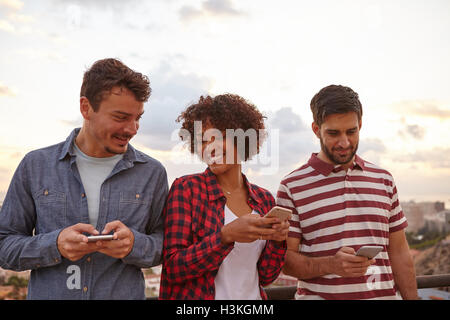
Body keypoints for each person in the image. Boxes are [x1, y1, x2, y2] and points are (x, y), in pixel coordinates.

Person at [0, 58, 168, 299]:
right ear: (86, 107)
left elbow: (166, 247)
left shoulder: (152, 173)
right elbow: (4, 246)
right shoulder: (35, 165)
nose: (132, 129)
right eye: (121, 117)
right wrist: (55, 245)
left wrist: (134, 245)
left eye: (137, 117)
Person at [277, 85, 418, 300]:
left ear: (360, 125)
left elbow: (399, 253)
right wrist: (331, 264)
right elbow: (285, 261)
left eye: (351, 131)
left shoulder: (384, 180)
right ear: (316, 129)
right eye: (333, 133)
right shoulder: (291, 186)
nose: (344, 143)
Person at [159, 94, 289, 300]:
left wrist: (278, 241)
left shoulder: (264, 199)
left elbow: (266, 277)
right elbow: (174, 268)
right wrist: (225, 236)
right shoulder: (187, 190)